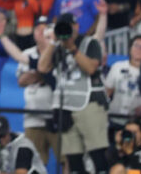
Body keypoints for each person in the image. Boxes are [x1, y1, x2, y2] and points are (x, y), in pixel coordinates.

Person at [37, 13, 110, 174]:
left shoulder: (90, 43)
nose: (67, 30)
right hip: (66, 108)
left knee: (97, 154)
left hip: (89, 104)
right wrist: (53, 42)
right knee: (73, 159)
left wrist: (72, 48)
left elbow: (91, 68)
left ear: (76, 26)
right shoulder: (57, 47)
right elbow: (42, 68)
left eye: (69, 26)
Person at [0, 17, 59, 165]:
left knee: (66, 160)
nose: (40, 33)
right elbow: (22, 72)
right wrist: (1, 36)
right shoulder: (30, 54)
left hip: (57, 114)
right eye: (37, 29)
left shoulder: (59, 53)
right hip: (33, 116)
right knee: (34, 161)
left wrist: (39, 74)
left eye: (45, 30)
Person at [105, 35, 141, 133]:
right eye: (136, 45)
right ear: (130, 49)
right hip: (115, 119)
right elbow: (107, 92)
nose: (139, 49)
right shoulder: (117, 67)